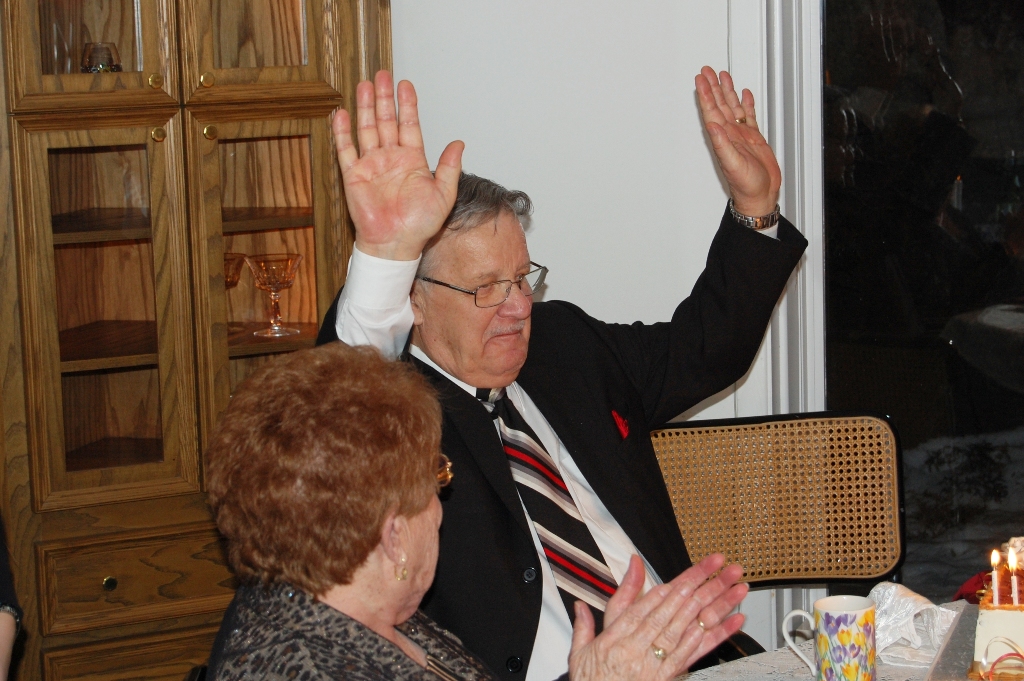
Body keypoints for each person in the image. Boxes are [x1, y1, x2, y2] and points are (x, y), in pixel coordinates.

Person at [316, 68, 808, 680]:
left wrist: (755, 208)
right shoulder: (387, 415)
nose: (518, 307)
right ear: (412, 299)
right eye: (485, 288)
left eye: (522, 278)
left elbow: (704, 350)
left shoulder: (565, 345)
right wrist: (385, 256)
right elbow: (335, 394)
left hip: (694, 660)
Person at [205, 342, 750, 680]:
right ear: (392, 536)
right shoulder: (302, 667)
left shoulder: (372, 616)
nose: (441, 509)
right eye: (436, 481)